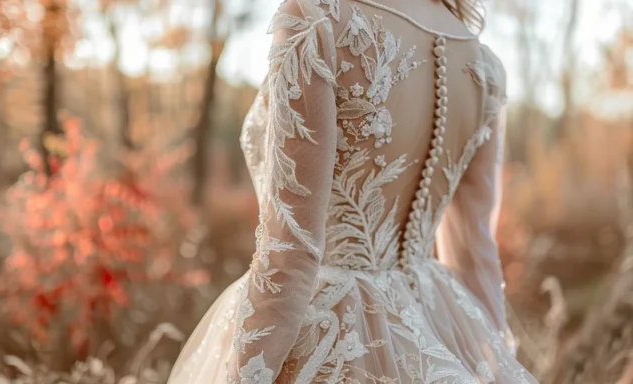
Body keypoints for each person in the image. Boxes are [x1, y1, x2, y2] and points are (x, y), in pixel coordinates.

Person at [168, 0, 538, 382]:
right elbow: (474, 251)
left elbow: (291, 249)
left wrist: (242, 375)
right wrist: (494, 358)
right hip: (440, 320)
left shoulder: (317, 20)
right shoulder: (484, 65)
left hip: (328, 331)